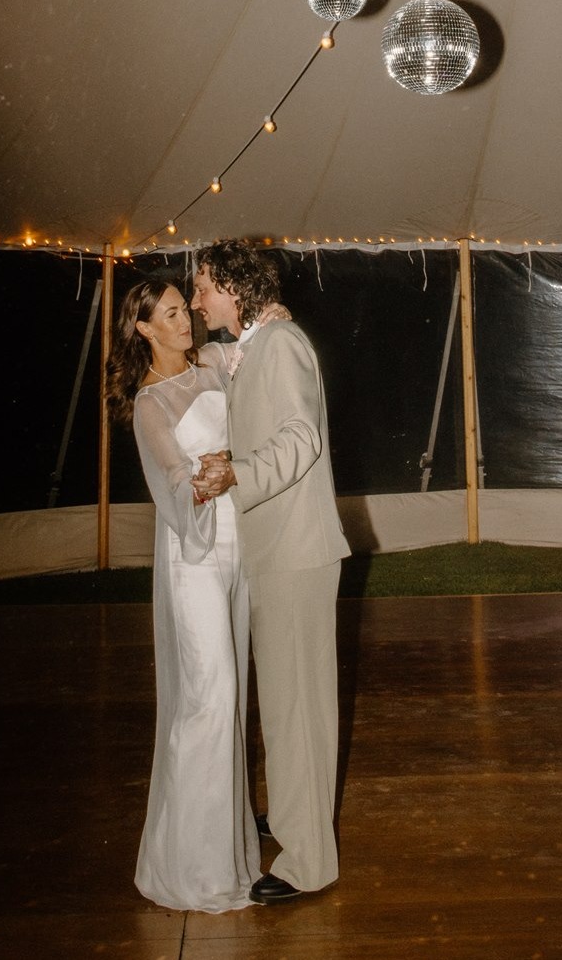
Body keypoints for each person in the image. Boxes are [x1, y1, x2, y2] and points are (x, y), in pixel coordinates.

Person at [190, 240, 349, 905]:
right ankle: (291, 817)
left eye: (203, 288)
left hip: (296, 551)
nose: (196, 301)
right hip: (279, 551)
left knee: (299, 710)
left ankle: (309, 859)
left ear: (236, 288)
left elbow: (298, 438)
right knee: (285, 707)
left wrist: (237, 475)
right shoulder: (260, 342)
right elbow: (227, 369)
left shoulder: (281, 344)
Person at [106, 279, 260, 913]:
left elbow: (253, 346)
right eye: (171, 314)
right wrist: (208, 474)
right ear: (144, 329)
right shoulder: (150, 404)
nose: (185, 320)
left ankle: (229, 856)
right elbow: (172, 480)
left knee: (234, 700)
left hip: (238, 547)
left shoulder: (213, 362)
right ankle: (190, 870)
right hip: (193, 553)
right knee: (209, 696)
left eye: (183, 308)